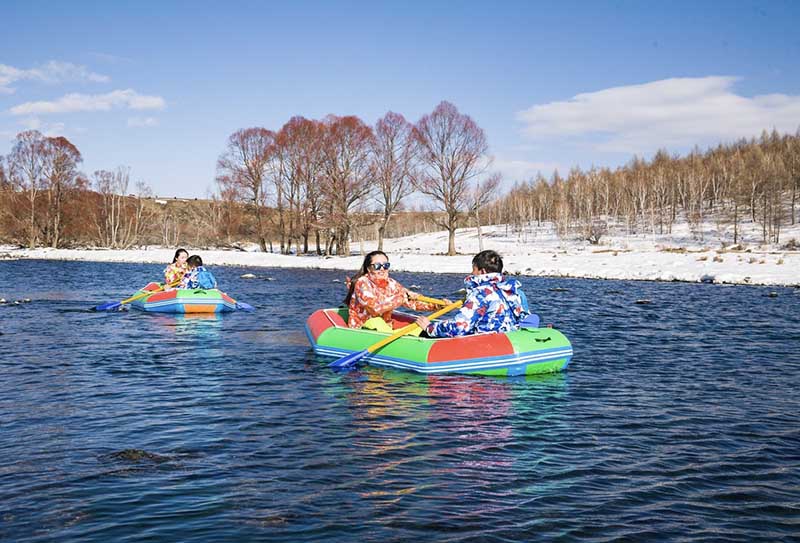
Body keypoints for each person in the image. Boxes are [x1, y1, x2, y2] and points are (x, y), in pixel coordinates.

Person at [415, 249, 529, 337]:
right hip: (509, 339)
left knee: (426, 333)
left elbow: (460, 327)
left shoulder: (480, 293)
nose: (471, 273)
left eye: (474, 269)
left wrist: (430, 327)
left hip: (486, 345)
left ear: (482, 271)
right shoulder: (512, 290)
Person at [344, 250, 441, 332]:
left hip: (385, 328)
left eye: (386, 265)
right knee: (376, 321)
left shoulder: (391, 283)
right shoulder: (362, 283)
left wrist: (437, 306)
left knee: (419, 326)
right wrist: (401, 297)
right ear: (369, 268)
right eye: (377, 266)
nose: (382, 269)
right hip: (363, 326)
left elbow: (413, 303)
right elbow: (374, 309)